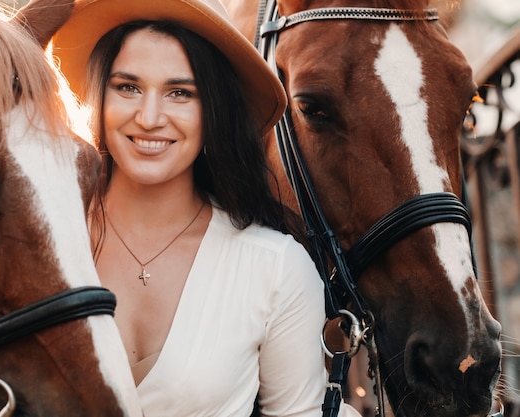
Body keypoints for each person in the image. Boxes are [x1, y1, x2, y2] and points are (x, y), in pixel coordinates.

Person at [51, 0, 362, 416]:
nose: (149, 117)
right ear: (98, 95)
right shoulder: (41, 241)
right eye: (128, 87)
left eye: (180, 93)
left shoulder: (273, 267)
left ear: (213, 109)